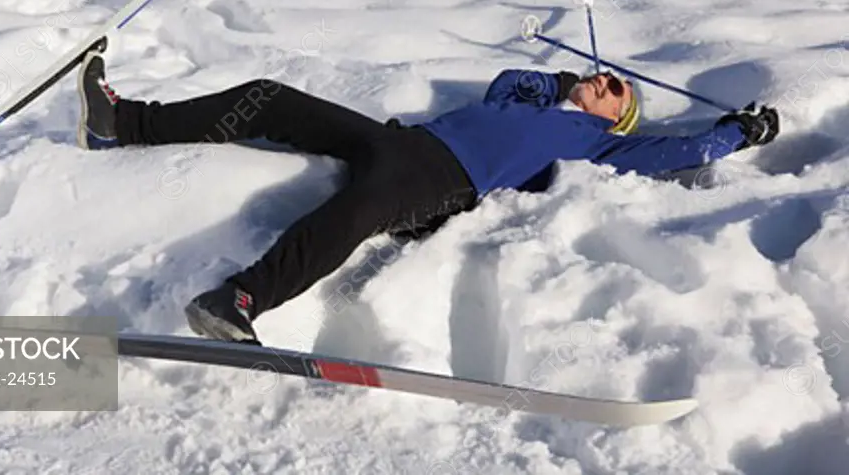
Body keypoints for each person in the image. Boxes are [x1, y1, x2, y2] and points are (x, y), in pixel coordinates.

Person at [75, 51, 779, 344]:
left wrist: (737, 131)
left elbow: (679, 150)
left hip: (441, 181)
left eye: (616, 88)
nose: (603, 79)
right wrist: (557, 82)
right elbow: (508, 82)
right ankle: (123, 122)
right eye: (603, 75)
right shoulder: (536, 101)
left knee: (350, 215)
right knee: (270, 98)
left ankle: (239, 299)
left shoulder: (596, 144)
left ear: (620, 115)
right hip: (401, 141)